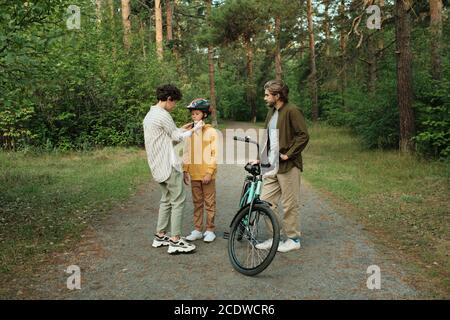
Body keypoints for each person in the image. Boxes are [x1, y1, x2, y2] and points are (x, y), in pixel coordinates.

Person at [143, 84, 204, 254]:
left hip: (157, 165)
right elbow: (176, 137)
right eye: (174, 102)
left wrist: (182, 129)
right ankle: (175, 240)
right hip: (168, 164)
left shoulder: (150, 115)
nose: (174, 105)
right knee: (178, 200)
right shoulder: (163, 115)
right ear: (169, 99)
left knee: (166, 199)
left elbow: (168, 135)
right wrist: (195, 129)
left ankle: (160, 235)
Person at [256, 80, 309, 253]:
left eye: (267, 95)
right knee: (265, 203)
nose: (265, 98)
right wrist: (260, 158)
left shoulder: (292, 111)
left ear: (277, 96)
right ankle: (274, 238)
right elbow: (267, 138)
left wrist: (289, 154)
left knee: (289, 204)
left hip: (288, 166)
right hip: (271, 165)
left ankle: (293, 239)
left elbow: (303, 135)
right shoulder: (271, 112)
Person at [182, 99, 219, 243]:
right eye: (192, 114)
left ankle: (210, 229)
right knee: (197, 203)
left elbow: (214, 154)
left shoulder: (211, 132)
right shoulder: (189, 132)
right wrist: (185, 170)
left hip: (207, 174)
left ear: (204, 115)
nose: (194, 116)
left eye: (197, 113)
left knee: (209, 202)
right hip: (194, 173)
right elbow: (186, 151)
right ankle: (197, 229)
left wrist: (209, 172)